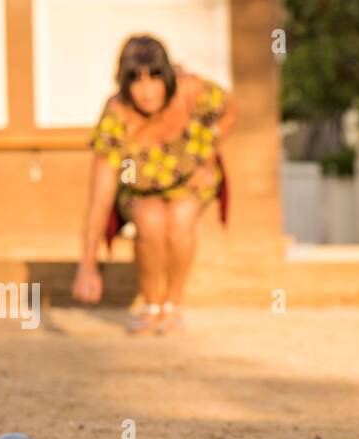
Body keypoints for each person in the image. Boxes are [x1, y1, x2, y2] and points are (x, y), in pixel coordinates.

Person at [72, 35, 236, 333]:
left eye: (155, 79)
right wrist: (88, 266)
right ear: (124, 83)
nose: (147, 92)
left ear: (168, 78)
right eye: (136, 81)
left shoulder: (191, 90)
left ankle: (173, 305)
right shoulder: (117, 115)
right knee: (151, 220)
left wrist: (209, 156)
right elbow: (101, 196)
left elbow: (230, 110)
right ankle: (152, 305)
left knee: (181, 217)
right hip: (137, 186)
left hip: (189, 177)